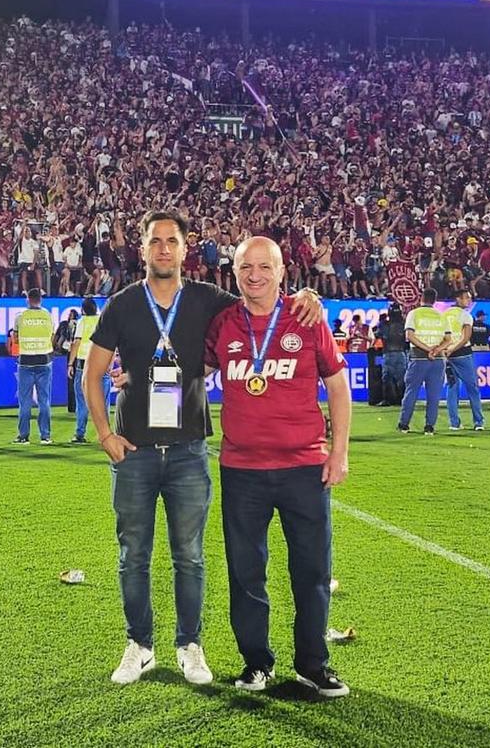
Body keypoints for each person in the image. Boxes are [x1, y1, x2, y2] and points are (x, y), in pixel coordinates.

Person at [81, 210, 321, 687]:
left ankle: (189, 643)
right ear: (143, 249)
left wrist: (305, 297)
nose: (164, 249)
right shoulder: (123, 304)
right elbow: (91, 374)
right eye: (155, 241)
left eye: (172, 241)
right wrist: (106, 435)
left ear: (186, 249)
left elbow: (263, 299)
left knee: (189, 554)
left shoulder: (210, 300)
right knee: (134, 554)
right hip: (135, 452)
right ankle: (140, 644)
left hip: (189, 450)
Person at [204, 237, 352, 698]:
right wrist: (138, 378)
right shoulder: (223, 324)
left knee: (311, 570)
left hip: (305, 466)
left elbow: (339, 386)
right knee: (246, 572)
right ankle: (256, 663)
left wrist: (340, 451)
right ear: (234, 272)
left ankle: (313, 664)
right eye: (245, 266)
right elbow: (188, 370)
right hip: (241, 468)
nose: (254, 275)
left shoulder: (307, 318)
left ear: (282, 271)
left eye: (264, 266)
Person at [396, 288, 452, 436]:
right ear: (434, 300)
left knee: (411, 392)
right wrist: (436, 349)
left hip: (419, 358)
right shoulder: (441, 316)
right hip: (438, 359)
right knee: (433, 395)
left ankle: (404, 424)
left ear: (421, 298)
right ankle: (429, 426)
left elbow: (409, 335)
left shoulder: (414, 314)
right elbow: (448, 340)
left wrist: (427, 349)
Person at [15, 288, 55, 444]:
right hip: (44, 360)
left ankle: (23, 436)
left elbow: (16, 339)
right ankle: (45, 436)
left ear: (28, 300)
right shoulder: (48, 316)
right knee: (44, 400)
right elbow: (52, 336)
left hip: (25, 361)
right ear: (40, 300)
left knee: (24, 401)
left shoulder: (21, 317)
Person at [69, 296, 109, 444]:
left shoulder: (82, 322)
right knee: (103, 402)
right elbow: (112, 343)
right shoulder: (103, 321)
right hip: (102, 362)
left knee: (82, 401)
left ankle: (79, 434)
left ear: (83, 309)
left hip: (84, 364)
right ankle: (105, 436)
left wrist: (70, 364)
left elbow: (76, 342)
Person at [444, 289, 485, 432]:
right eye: (467, 298)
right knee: (472, 388)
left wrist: (447, 350)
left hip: (448, 355)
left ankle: (454, 423)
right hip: (462, 354)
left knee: (452, 388)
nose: (469, 300)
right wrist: (453, 349)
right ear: (458, 299)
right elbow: (465, 338)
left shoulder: (444, 314)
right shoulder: (466, 316)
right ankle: (478, 422)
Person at [377, 303, 407, 407]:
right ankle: (402, 399)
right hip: (401, 352)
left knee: (387, 377)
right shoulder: (404, 323)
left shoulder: (384, 324)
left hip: (389, 353)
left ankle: (387, 400)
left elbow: (380, 335)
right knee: (401, 378)